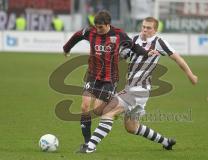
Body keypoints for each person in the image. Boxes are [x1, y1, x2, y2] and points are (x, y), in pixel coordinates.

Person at [79, 16, 198, 153]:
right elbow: (122, 56)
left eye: (148, 28)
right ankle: (166, 142)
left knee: (108, 112)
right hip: (134, 89)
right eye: (143, 27)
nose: (145, 30)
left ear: (155, 30)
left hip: (139, 89)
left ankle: (90, 147)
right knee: (132, 127)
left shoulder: (159, 42)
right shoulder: (134, 40)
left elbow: (177, 58)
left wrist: (190, 75)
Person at [63, 11, 158, 148]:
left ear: (108, 25)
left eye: (101, 27)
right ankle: (87, 142)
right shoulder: (90, 31)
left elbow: (134, 46)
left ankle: (118, 110)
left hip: (110, 78)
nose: (98, 30)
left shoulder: (119, 34)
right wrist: (66, 48)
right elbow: (77, 36)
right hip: (92, 75)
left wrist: (146, 52)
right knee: (84, 106)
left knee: (97, 110)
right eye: (96, 27)